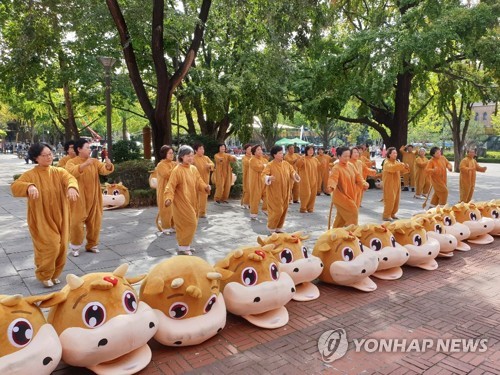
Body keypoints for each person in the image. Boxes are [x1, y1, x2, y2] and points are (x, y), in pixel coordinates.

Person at [11, 143, 79, 287]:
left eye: (50, 154)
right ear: (36, 158)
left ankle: (54, 274)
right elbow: (15, 186)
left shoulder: (58, 172)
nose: (49, 157)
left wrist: (72, 187)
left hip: (61, 215)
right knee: (51, 246)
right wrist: (29, 186)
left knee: (62, 247)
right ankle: (44, 274)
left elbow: (70, 179)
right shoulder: (31, 174)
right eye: (45, 155)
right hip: (41, 218)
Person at [65, 138, 114, 257]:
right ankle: (75, 246)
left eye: (89, 148)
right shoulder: (71, 162)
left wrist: (108, 165)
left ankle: (92, 244)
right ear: (79, 149)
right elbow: (70, 173)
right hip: (78, 198)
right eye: (87, 147)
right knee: (76, 222)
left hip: (94, 197)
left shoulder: (94, 161)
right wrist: (84, 164)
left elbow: (103, 170)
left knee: (95, 222)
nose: (89, 150)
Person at [164, 145, 211, 255]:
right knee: (191, 223)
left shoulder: (193, 169)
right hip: (181, 202)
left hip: (192, 200)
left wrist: (205, 187)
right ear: (181, 157)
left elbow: (199, 181)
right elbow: (170, 186)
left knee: (190, 223)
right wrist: (169, 198)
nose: (190, 158)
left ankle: (184, 246)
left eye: (191, 156)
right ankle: (184, 246)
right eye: (188, 156)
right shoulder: (177, 170)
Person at [262, 146, 300, 233]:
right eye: (279, 153)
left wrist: (295, 175)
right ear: (274, 155)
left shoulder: (286, 164)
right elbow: (263, 175)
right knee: (277, 211)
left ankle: (279, 227)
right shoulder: (270, 165)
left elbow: (292, 171)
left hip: (286, 191)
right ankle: (271, 227)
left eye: (281, 153)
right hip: (274, 192)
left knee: (284, 210)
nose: (281, 154)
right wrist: (268, 177)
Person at [327, 146, 368, 228]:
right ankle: (352, 234)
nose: (347, 158)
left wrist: (363, 183)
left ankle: (334, 234)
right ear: (338, 156)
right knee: (353, 213)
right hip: (341, 197)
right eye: (344, 156)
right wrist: (331, 186)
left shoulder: (350, 165)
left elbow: (358, 176)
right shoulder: (336, 168)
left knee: (341, 218)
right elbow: (333, 179)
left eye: (348, 156)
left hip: (350, 195)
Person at [382, 147, 410, 221]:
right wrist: (401, 165)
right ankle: (386, 215)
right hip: (389, 184)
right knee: (390, 200)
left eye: (396, 153)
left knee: (396, 200)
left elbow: (402, 171)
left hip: (396, 184)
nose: (395, 154)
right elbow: (391, 169)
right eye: (393, 153)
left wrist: (406, 167)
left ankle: (392, 214)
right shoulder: (386, 162)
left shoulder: (396, 162)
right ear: (389, 154)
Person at [155, 145, 176, 234]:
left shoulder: (174, 163)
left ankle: (172, 226)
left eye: (172, 153)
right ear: (164, 154)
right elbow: (167, 174)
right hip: (163, 190)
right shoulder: (160, 165)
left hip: (173, 190)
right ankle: (165, 227)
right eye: (169, 153)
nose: (172, 155)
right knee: (165, 209)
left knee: (174, 209)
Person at [192, 143, 214, 218]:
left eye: (203, 149)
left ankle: (202, 212)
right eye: (200, 149)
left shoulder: (206, 158)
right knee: (196, 197)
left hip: (205, 180)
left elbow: (212, 164)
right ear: (195, 150)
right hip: (196, 180)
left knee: (204, 197)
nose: (202, 150)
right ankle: (195, 212)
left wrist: (210, 165)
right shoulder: (193, 158)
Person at [296, 145, 320, 213]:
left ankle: (310, 208)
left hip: (314, 179)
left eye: (312, 150)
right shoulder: (303, 158)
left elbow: (319, 166)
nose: (311, 151)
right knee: (306, 193)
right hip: (305, 179)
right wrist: (301, 159)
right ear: (306, 151)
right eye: (309, 150)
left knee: (313, 194)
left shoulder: (315, 159)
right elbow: (298, 165)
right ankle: (303, 208)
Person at [248, 145, 268, 220]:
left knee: (267, 195)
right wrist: (264, 166)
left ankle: (265, 209)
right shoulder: (252, 160)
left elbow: (268, 168)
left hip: (264, 181)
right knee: (255, 198)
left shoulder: (264, 160)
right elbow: (258, 168)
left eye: (260, 149)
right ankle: (253, 213)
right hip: (255, 182)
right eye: (258, 150)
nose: (260, 151)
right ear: (254, 152)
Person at [240, 144, 253, 209]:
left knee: (252, 189)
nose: (250, 150)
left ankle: (250, 203)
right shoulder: (244, 158)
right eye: (248, 149)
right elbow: (248, 163)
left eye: (251, 149)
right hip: (247, 175)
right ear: (245, 150)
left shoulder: (253, 157)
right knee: (247, 189)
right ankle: (245, 203)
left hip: (253, 176)